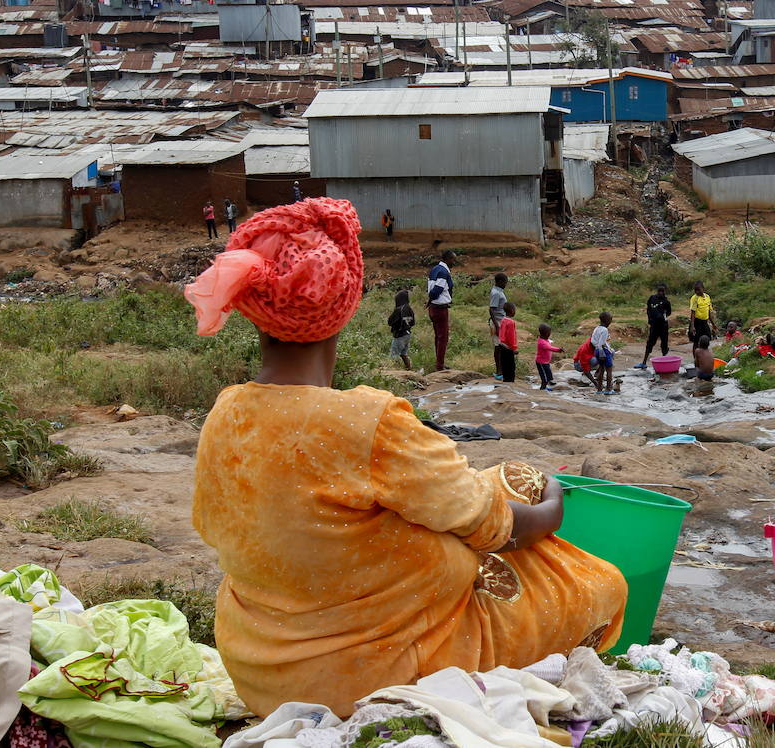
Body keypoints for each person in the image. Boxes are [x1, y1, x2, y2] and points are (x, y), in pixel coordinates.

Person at [184, 198, 625, 717]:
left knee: (511, 477)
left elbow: (215, 525)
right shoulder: (368, 423)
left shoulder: (227, 412)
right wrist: (554, 507)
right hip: (377, 674)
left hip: (259, 672)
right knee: (602, 583)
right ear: (342, 307)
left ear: (255, 307)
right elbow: (499, 529)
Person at [426, 250, 454, 372]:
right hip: (440, 308)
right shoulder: (443, 272)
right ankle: (440, 365)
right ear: (447, 259)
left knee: (438, 336)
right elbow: (437, 289)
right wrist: (432, 298)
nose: (454, 261)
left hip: (433, 307)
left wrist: (430, 300)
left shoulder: (435, 269)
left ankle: (439, 362)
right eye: (453, 259)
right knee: (443, 337)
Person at [638, 283, 671, 369]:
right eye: (659, 291)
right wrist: (650, 319)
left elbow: (669, 312)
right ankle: (644, 362)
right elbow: (649, 309)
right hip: (654, 325)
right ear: (657, 291)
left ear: (664, 292)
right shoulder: (652, 299)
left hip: (663, 326)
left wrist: (662, 317)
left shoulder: (666, 302)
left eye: (662, 291)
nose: (660, 293)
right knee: (650, 343)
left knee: (664, 344)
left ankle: (664, 362)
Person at [387, 288, 415, 370]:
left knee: (393, 355)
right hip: (408, 334)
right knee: (403, 353)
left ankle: (394, 371)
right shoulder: (409, 309)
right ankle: (409, 369)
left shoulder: (398, 310)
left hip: (399, 335)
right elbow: (413, 323)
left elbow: (390, 322)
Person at [488, 273, 509, 378]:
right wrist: (497, 325)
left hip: (501, 321)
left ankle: (501, 369)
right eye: (505, 282)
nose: (506, 284)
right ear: (500, 282)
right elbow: (491, 309)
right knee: (498, 347)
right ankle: (499, 371)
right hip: (497, 322)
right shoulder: (496, 293)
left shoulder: (499, 291)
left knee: (501, 346)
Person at [591, 312, 615, 395]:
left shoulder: (596, 328)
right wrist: (603, 352)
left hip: (597, 351)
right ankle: (608, 389)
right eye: (610, 320)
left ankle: (599, 389)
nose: (610, 322)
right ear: (607, 320)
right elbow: (602, 343)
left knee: (601, 370)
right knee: (609, 370)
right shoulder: (605, 330)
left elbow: (593, 341)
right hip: (603, 352)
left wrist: (598, 350)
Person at [495, 302, 518, 383]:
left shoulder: (503, 320)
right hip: (508, 347)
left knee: (504, 365)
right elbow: (511, 337)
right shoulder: (511, 322)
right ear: (512, 311)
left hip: (502, 345)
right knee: (511, 367)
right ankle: (510, 382)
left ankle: (505, 380)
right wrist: (514, 348)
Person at [536, 323, 562, 391]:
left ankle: (549, 382)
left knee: (548, 372)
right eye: (549, 332)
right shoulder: (542, 342)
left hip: (545, 362)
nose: (550, 334)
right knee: (544, 376)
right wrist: (558, 350)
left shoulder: (544, 339)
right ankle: (543, 388)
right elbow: (549, 348)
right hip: (541, 362)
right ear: (546, 333)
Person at [688, 281, 716, 346]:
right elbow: (693, 313)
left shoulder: (707, 297)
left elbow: (708, 311)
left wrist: (713, 324)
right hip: (697, 322)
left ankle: (703, 354)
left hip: (704, 322)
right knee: (696, 341)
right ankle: (696, 355)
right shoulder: (694, 298)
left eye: (698, 290)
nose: (697, 292)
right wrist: (692, 326)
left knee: (707, 339)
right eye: (695, 290)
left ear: (703, 289)